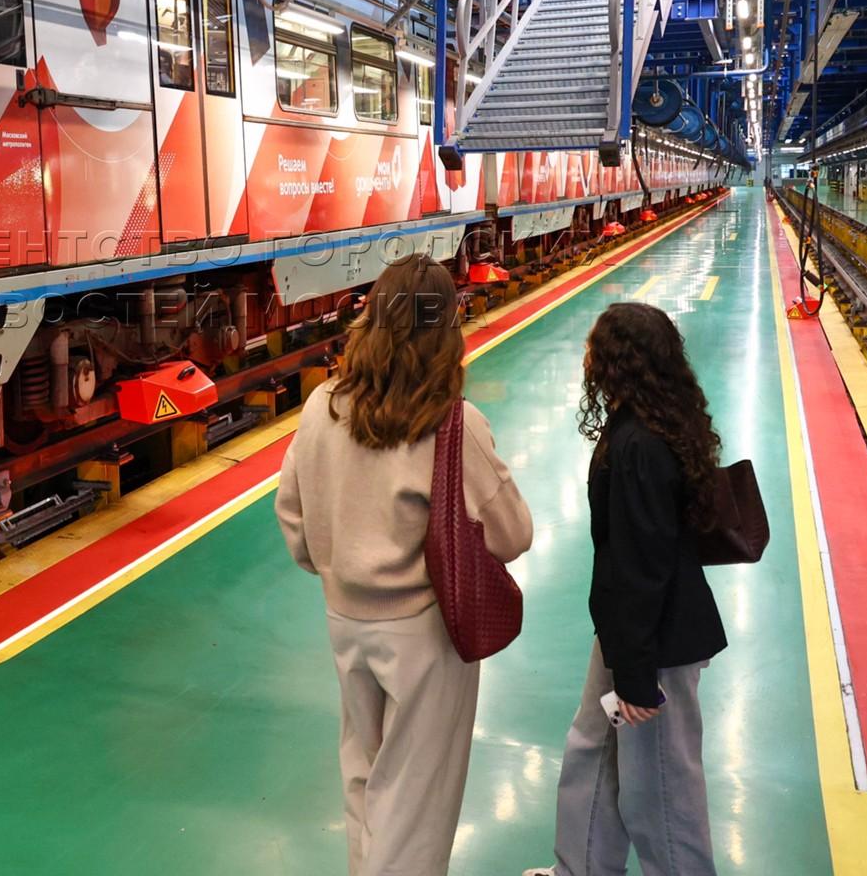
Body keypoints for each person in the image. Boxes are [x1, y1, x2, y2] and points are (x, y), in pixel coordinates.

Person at [275, 254, 533, 876]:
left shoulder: (322, 407)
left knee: (363, 782)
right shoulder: (452, 423)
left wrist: (336, 566)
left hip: (345, 621)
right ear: (446, 329)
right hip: (425, 634)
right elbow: (513, 533)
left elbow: (293, 515)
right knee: (414, 808)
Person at [526, 302, 728, 876]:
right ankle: (581, 868)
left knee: (661, 788)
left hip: (653, 643)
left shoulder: (640, 445)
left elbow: (643, 568)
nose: (586, 356)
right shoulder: (648, 424)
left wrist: (637, 676)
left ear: (617, 361)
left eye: (594, 348)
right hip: (626, 632)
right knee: (593, 751)